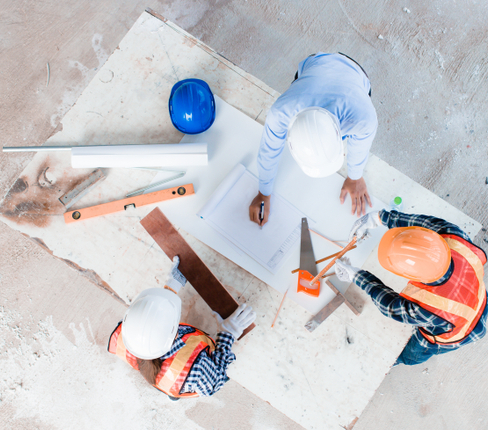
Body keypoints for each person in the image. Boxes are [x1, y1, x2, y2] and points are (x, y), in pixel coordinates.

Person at [333, 210, 488, 365]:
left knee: (412, 354)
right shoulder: (452, 235)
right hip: (478, 296)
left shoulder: (430, 308)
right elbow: (422, 224)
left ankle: (399, 360)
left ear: (415, 277)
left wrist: (356, 276)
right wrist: (379, 218)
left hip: (462, 332)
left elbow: (390, 306)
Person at [249, 52, 378, 224]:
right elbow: (268, 151)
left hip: (357, 75)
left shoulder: (362, 117)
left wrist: (355, 177)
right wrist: (264, 192)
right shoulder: (281, 112)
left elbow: (360, 147)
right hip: (315, 63)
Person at [107, 257, 256, 399]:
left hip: (166, 379)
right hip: (183, 379)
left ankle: (172, 393)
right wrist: (228, 334)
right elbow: (215, 381)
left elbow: (155, 316)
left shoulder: (133, 331)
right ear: (174, 331)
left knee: (171, 388)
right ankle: (175, 393)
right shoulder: (197, 370)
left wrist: (174, 283)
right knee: (179, 387)